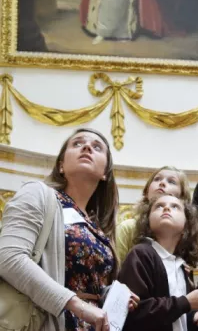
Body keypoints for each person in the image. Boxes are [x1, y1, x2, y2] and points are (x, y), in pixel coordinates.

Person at [0, 128, 138, 330]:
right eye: (77, 143)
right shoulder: (38, 194)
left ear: (105, 173)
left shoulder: (97, 226)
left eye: (97, 147)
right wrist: (76, 304)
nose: (87, 147)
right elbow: (8, 257)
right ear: (61, 165)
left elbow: (81, 279)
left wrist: (111, 294)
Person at [119, 194, 198, 331]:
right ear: (147, 221)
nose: (166, 208)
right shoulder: (141, 254)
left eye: (175, 207)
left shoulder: (181, 266)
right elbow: (135, 311)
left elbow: (179, 315)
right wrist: (186, 302)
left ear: (186, 225)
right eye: (158, 206)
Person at [116, 166, 192, 264]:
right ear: (147, 191)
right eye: (157, 179)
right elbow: (115, 273)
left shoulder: (185, 233)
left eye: (171, 182)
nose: (162, 183)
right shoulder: (128, 228)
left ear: (182, 196)